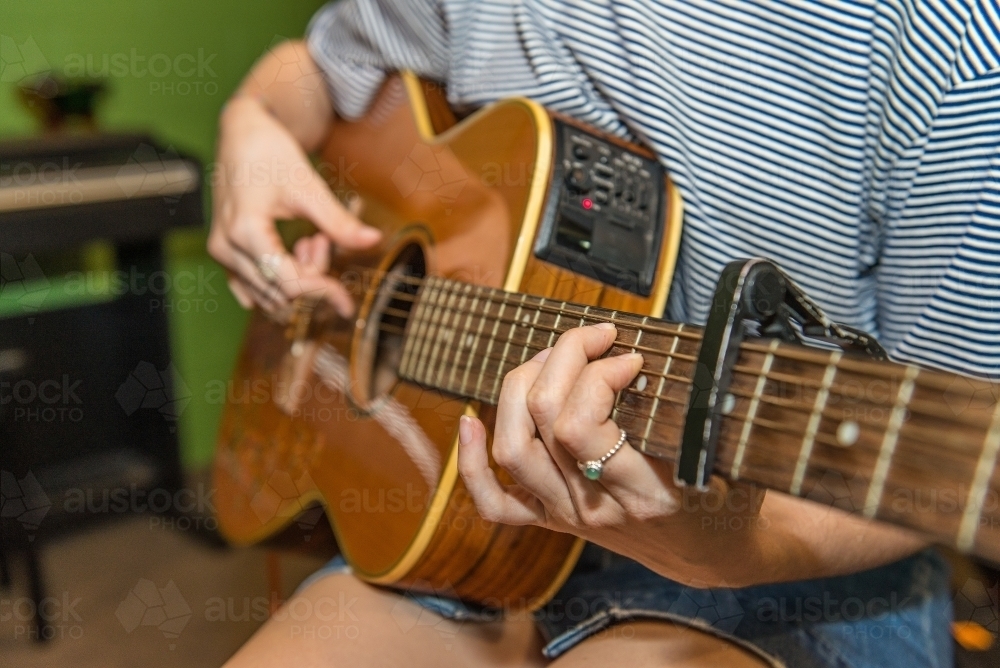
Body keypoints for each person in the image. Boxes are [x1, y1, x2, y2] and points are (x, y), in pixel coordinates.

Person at [209, 2, 1000, 665]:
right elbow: (312, 67)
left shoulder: (949, 40)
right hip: (457, 510)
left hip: (794, 552)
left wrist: (737, 548)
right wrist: (249, 125)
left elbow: (952, 432)